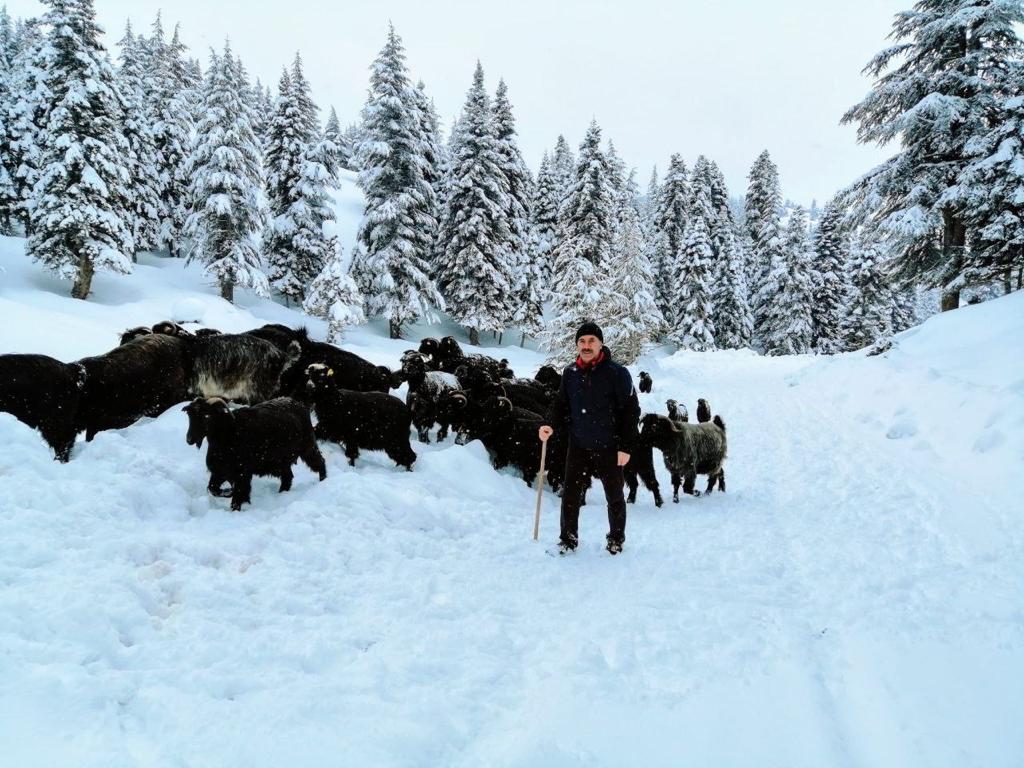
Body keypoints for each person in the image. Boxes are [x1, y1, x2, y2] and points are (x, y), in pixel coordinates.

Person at [538, 322, 640, 555]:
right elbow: (561, 404)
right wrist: (549, 424)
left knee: (614, 496)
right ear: (576, 345)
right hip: (579, 445)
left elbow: (631, 411)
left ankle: (616, 538)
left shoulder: (617, 373)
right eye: (582, 341)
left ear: (601, 343)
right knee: (571, 495)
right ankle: (568, 539)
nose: (586, 346)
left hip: (609, 446)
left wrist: (625, 447)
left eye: (591, 341)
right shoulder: (570, 373)